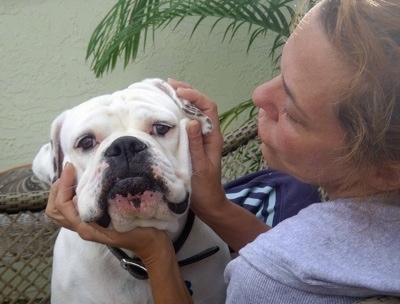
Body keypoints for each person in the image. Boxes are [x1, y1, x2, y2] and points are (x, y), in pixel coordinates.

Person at [46, 0, 400, 303]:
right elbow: (305, 264)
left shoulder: (259, 283)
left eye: (292, 108)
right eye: (87, 143)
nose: (258, 95)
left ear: (386, 169)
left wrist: (155, 254)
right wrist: (214, 206)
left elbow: (284, 272)